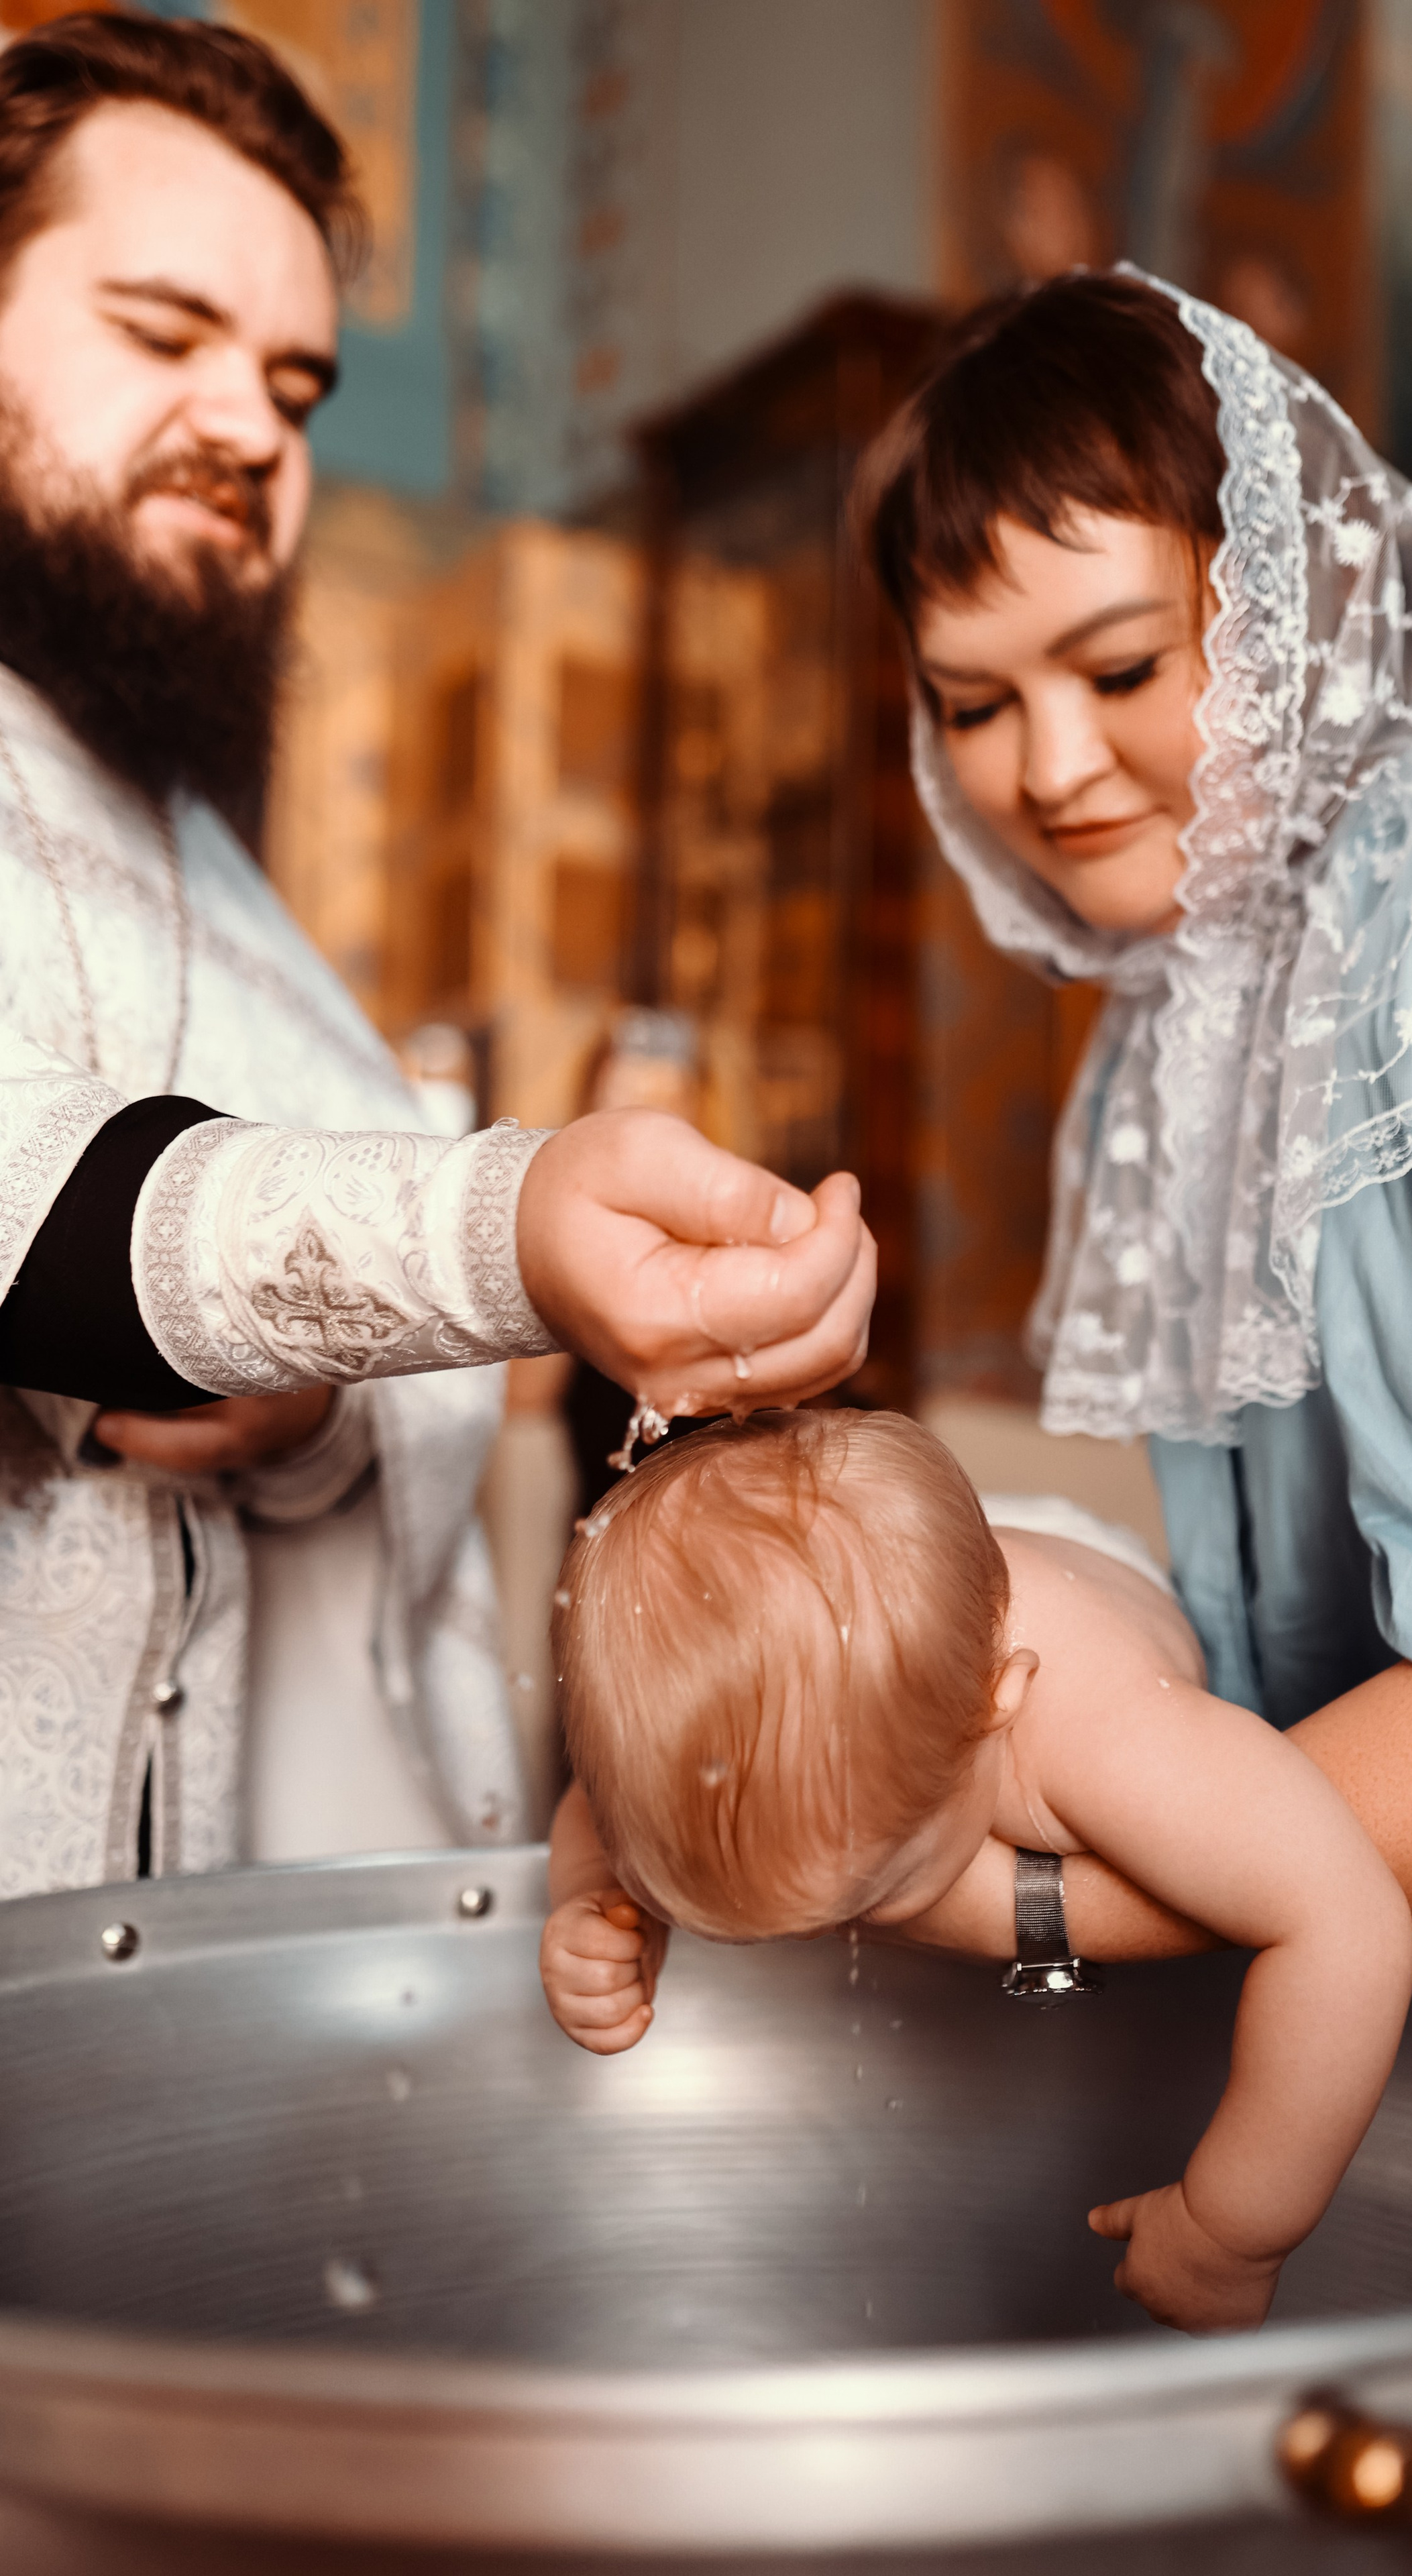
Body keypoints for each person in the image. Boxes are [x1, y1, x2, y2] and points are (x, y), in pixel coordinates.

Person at [0, 14, 871, 1900]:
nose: (247, 428)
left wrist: (309, 1405)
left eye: (296, 390)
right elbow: (31, 1203)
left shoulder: (245, 912)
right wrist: (513, 1226)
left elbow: (321, 1387)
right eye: (162, 336)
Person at [838, 266, 1412, 1960]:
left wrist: (1046, 1910)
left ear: (1295, 593)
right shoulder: (1219, 972)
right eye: (971, 704)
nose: (1047, 768)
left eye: (1118, 665)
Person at [539, 1409, 1412, 2335]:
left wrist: (1235, 2229)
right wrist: (593, 1902)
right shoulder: (699, 1745)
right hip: (907, 1583)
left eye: (875, 1896)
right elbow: (597, 1814)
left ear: (997, 1707)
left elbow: (1345, 1924)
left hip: (1078, 1576)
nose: (833, 1936)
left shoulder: (1107, 1739)